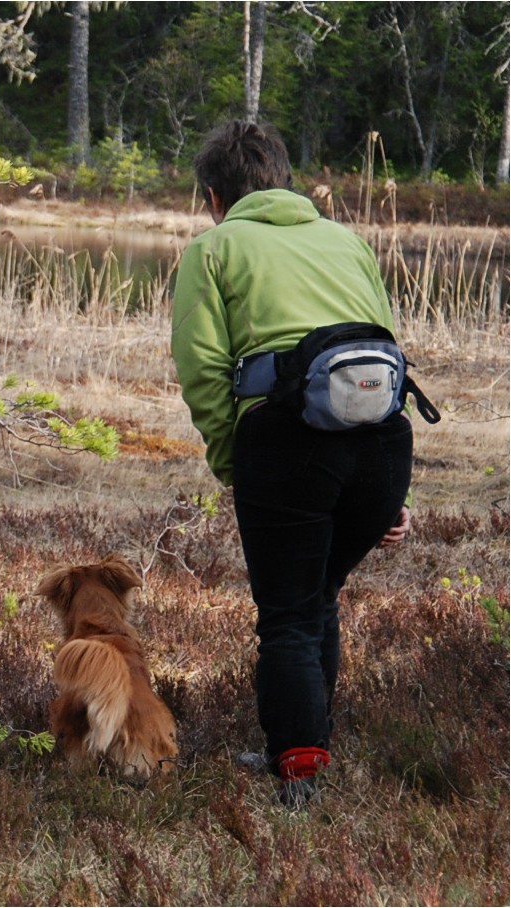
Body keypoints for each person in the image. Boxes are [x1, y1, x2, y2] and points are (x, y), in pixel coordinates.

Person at [170, 119, 415, 808]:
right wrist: (393, 492)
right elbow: (385, 355)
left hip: (286, 447)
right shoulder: (347, 241)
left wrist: (234, 462)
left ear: (214, 197)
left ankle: (298, 769)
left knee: (287, 615)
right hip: (382, 444)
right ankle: (305, 741)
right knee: (316, 596)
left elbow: (202, 367)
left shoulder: (213, 249)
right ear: (283, 180)